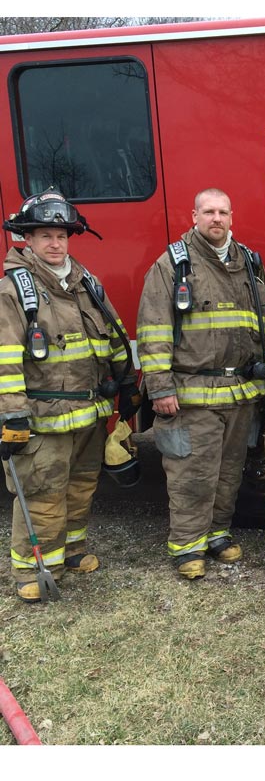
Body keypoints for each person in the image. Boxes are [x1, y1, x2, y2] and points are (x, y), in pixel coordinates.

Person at [1, 189, 139, 602]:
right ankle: (33, 570)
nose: (55, 244)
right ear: (26, 239)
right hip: (43, 417)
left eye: (61, 236)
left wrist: (128, 382)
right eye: (44, 236)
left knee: (80, 488)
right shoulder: (13, 292)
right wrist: (12, 414)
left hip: (89, 413)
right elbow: (5, 358)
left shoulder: (85, 283)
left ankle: (72, 551)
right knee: (43, 494)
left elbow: (113, 334)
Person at [137, 188, 265, 580]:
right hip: (191, 394)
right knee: (192, 474)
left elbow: (264, 324)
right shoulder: (172, 265)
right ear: (193, 215)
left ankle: (217, 534)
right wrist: (160, 388)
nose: (216, 219)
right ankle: (186, 547)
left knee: (230, 471)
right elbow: (153, 330)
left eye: (223, 212)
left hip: (240, 393)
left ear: (232, 217)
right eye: (209, 212)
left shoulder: (248, 262)